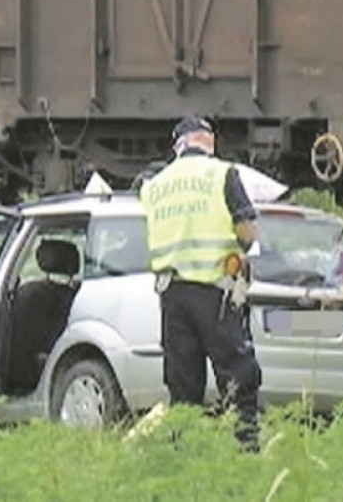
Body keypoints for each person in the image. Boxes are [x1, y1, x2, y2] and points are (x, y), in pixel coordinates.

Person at [138, 116, 262, 451]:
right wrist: (242, 251)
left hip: (172, 295)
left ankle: (184, 457)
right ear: (209, 141)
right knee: (237, 377)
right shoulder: (223, 174)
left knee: (183, 386)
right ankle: (245, 451)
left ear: (178, 145)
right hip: (216, 293)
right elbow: (247, 230)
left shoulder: (155, 185)